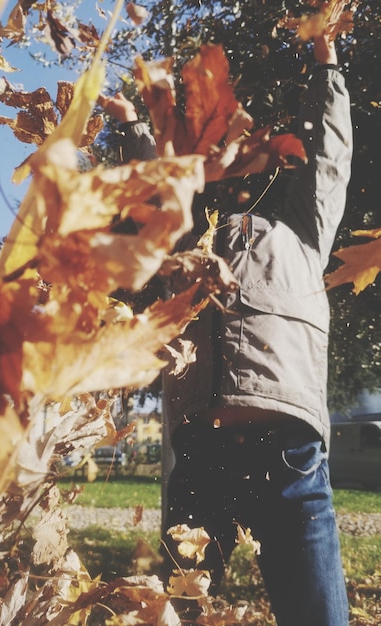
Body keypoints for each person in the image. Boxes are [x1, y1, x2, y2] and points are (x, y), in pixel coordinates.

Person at [102, 33, 352, 626]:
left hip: (286, 454)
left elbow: (329, 158)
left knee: (316, 613)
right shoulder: (189, 248)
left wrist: (325, 63)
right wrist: (134, 124)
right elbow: (156, 192)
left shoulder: (301, 234)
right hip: (200, 455)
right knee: (174, 613)